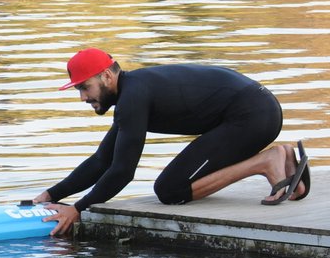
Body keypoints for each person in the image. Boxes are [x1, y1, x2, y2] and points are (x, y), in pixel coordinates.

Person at [34, 48, 310, 237]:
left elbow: (122, 172)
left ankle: (266, 161)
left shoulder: (133, 97)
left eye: (85, 87)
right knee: (171, 186)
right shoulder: (134, 91)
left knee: (171, 190)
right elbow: (101, 161)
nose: (82, 97)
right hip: (255, 110)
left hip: (252, 115)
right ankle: (281, 160)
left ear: (107, 76)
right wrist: (50, 195)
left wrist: (77, 209)